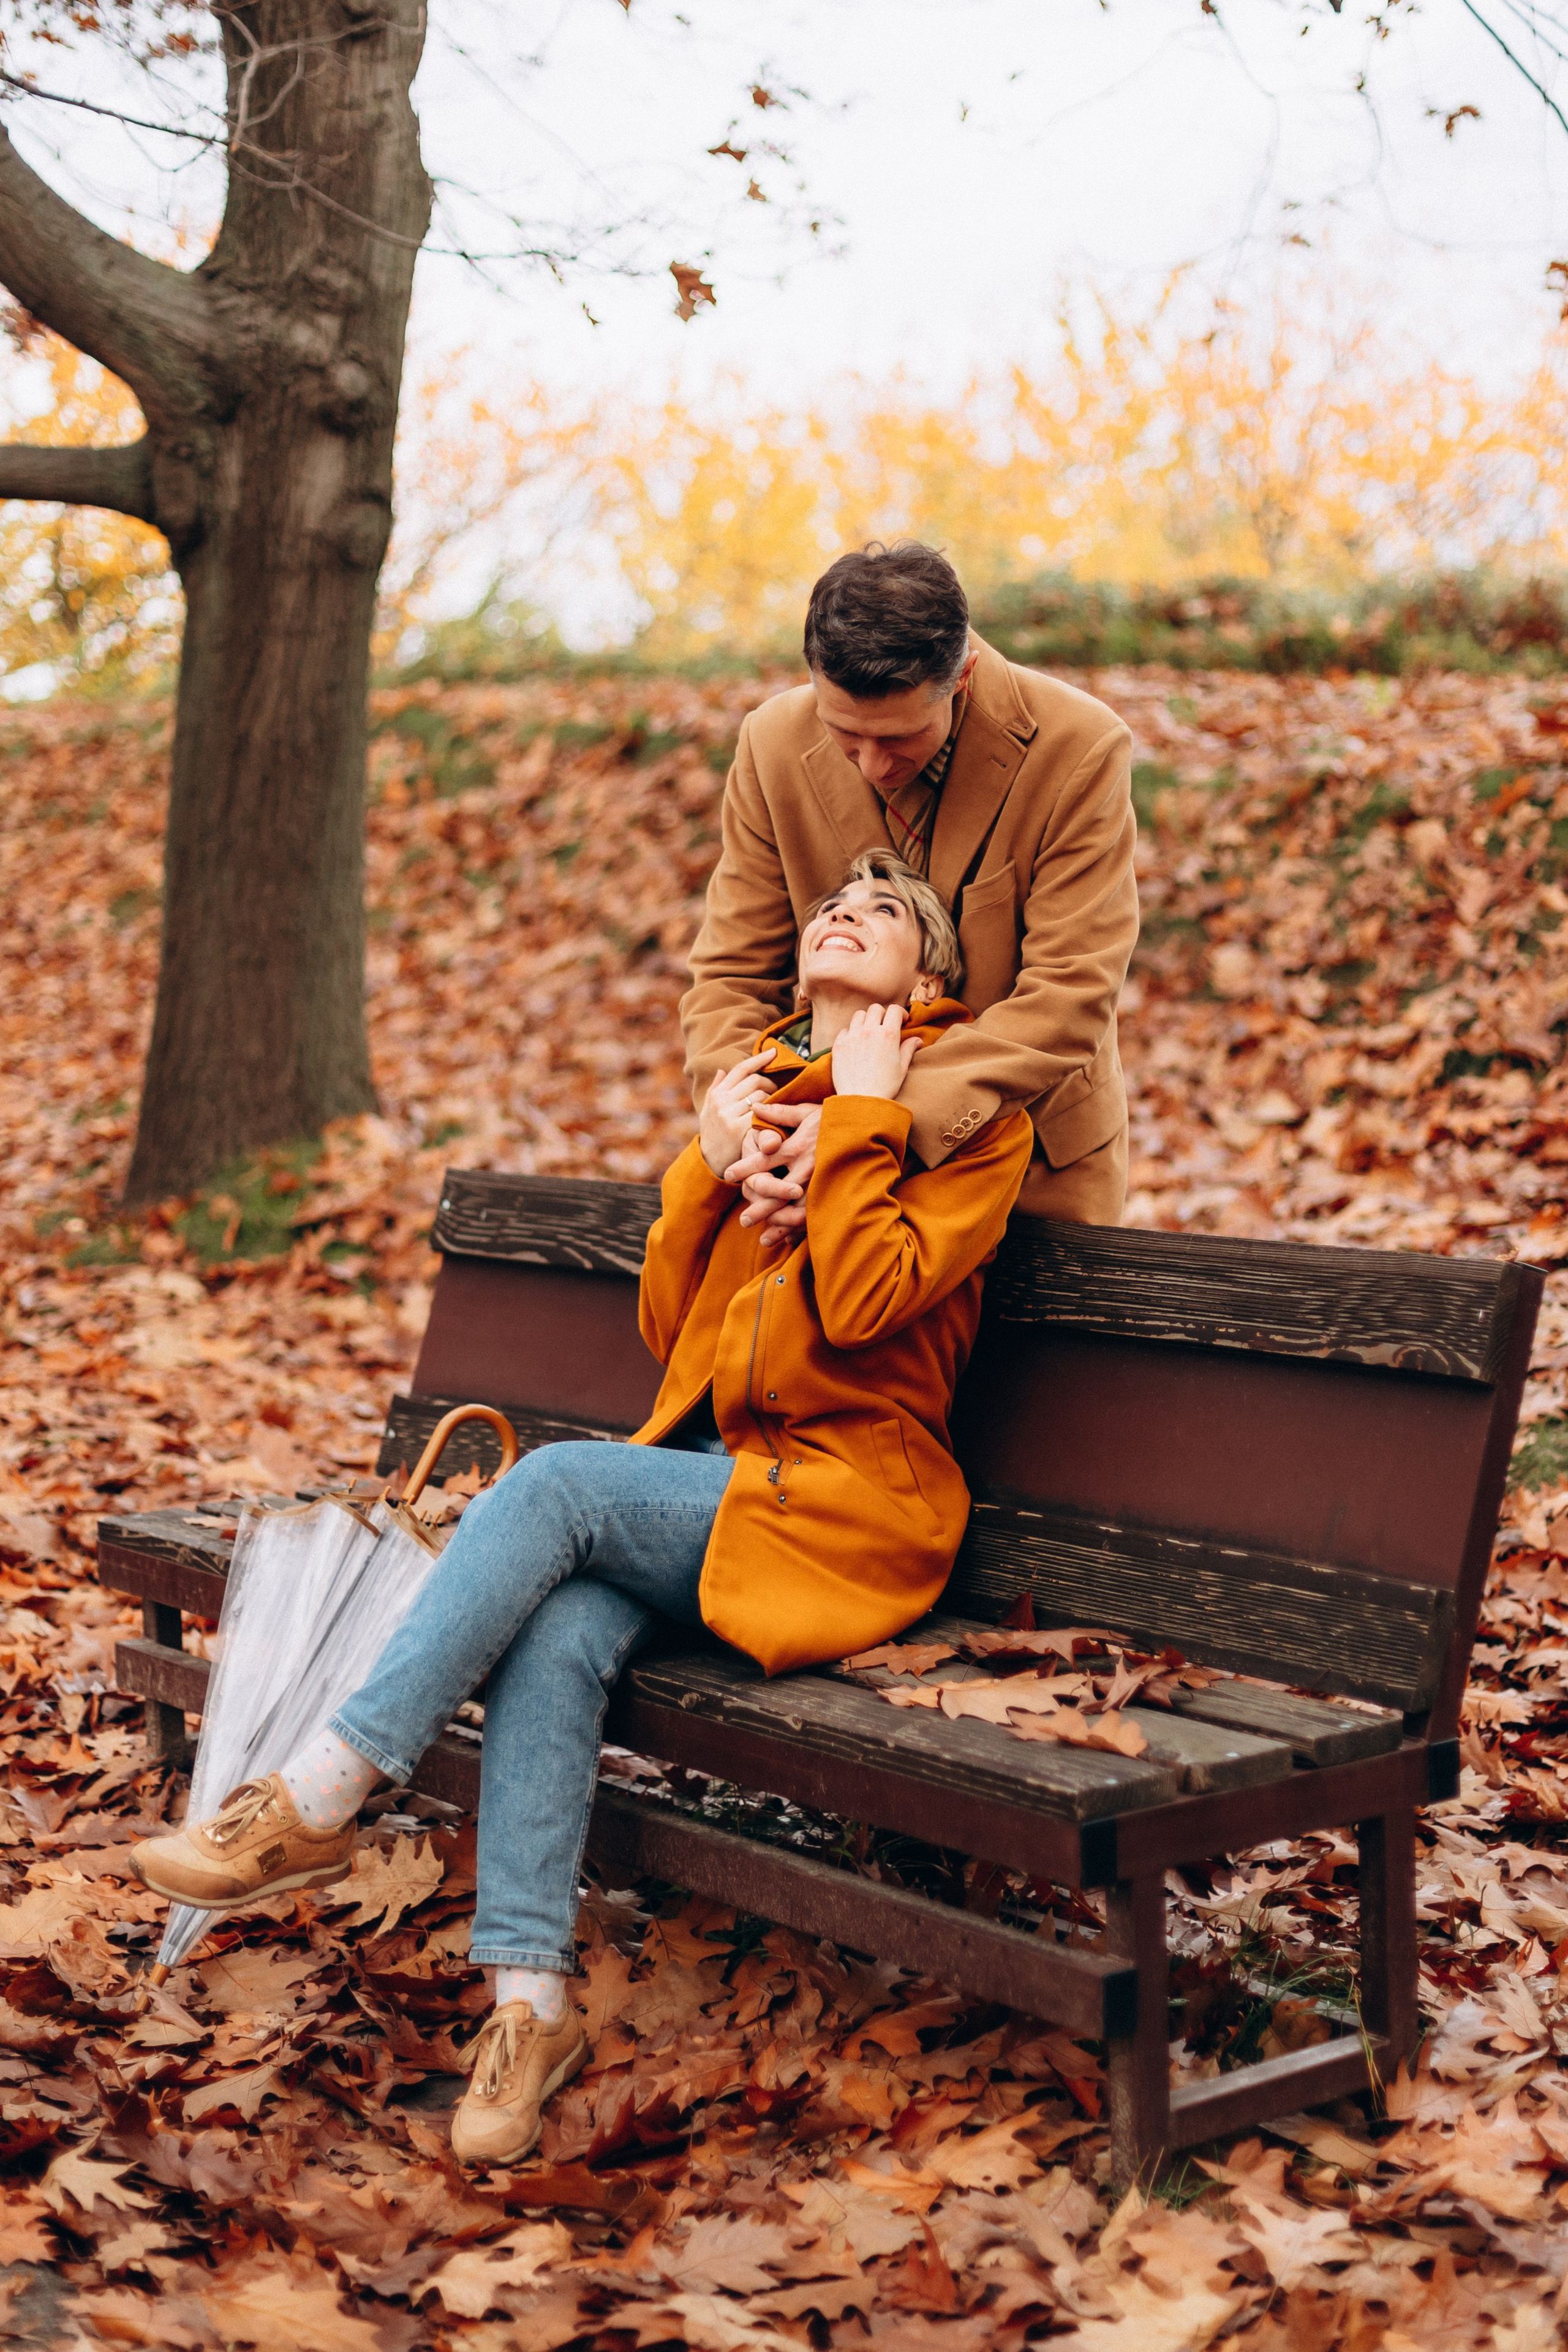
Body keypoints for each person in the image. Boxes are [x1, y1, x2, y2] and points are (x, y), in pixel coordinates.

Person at [130, 851, 1033, 2170]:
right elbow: (674, 1339)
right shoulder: (770, 1098)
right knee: (556, 1633)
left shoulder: (963, 1117)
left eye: (882, 913)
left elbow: (860, 1305)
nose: (841, 913)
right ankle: (529, 2005)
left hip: (852, 1511)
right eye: (831, 904)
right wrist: (712, 1171)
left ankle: (321, 1794)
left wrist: (861, 1132)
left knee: (553, 1481)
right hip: (737, 1492)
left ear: (931, 978)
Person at [683, 539, 1138, 1246]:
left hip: (1029, 1174)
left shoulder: (1078, 748)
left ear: (961, 679)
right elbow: (732, 974)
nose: (870, 765)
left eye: (900, 738)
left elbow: (1070, 994)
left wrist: (865, 1130)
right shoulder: (769, 745)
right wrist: (753, 1132)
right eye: (843, 734)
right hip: (796, 1179)